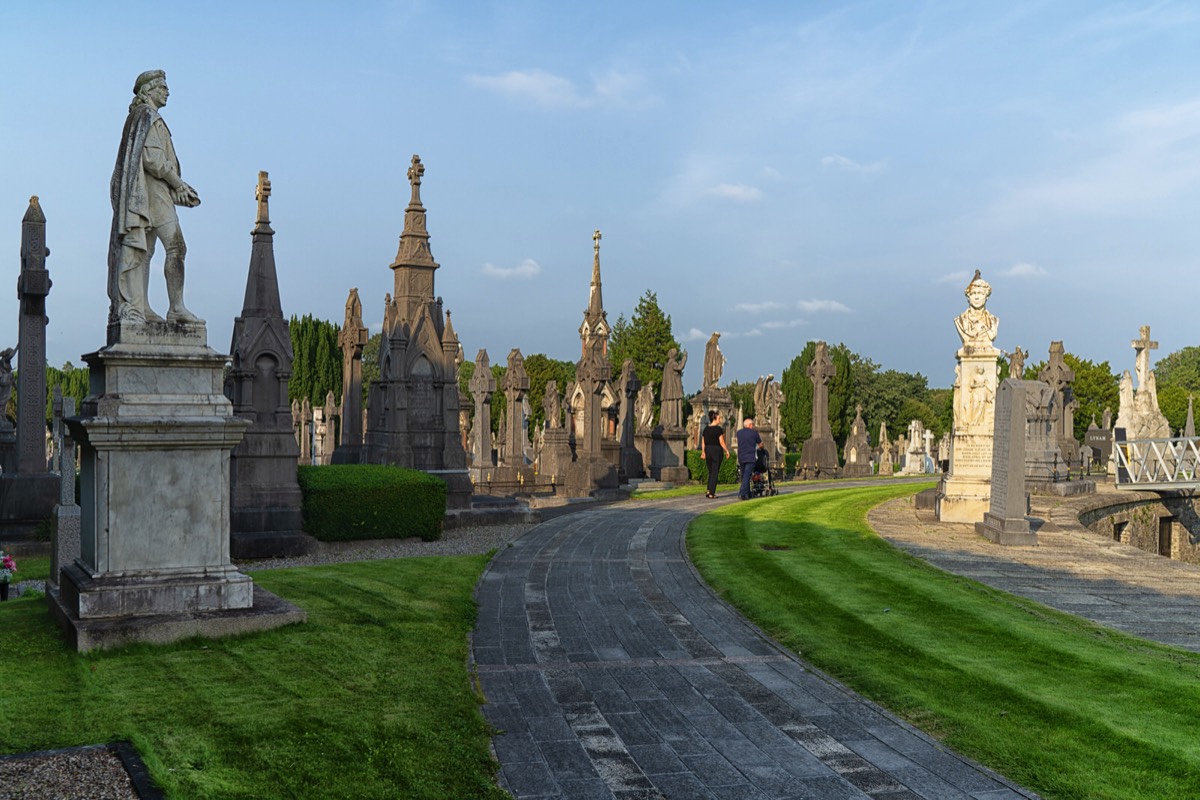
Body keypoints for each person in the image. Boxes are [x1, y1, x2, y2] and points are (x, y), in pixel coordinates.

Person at [108, 69, 202, 325]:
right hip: (152, 194)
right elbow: (154, 160)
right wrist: (178, 183)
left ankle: (142, 305)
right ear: (148, 91)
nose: (167, 92)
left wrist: (178, 189)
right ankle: (175, 308)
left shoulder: (143, 118)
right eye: (162, 88)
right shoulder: (146, 116)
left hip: (153, 194)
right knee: (176, 246)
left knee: (145, 251)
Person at [699, 410, 730, 498]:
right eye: (719, 418)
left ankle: (709, 489)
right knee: (715, 472)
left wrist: (703, 452)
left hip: (708, 450)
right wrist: (726, 450)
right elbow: (721, 441)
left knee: (711, 471)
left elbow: (703, 442)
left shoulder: (706, 429)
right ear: (715, 419)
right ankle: (711, 493)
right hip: (716, 450)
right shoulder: (718, 429)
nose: (720, 420)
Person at [735, 417, 762, 500]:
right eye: (752, 424)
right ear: (750, 425)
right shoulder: (754, 433)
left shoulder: (739, 433)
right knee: (747, 475)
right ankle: (742, 493)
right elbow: (760, 444)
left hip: (741, 457)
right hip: (750, 457)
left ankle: (747, 493)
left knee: (744, 475)